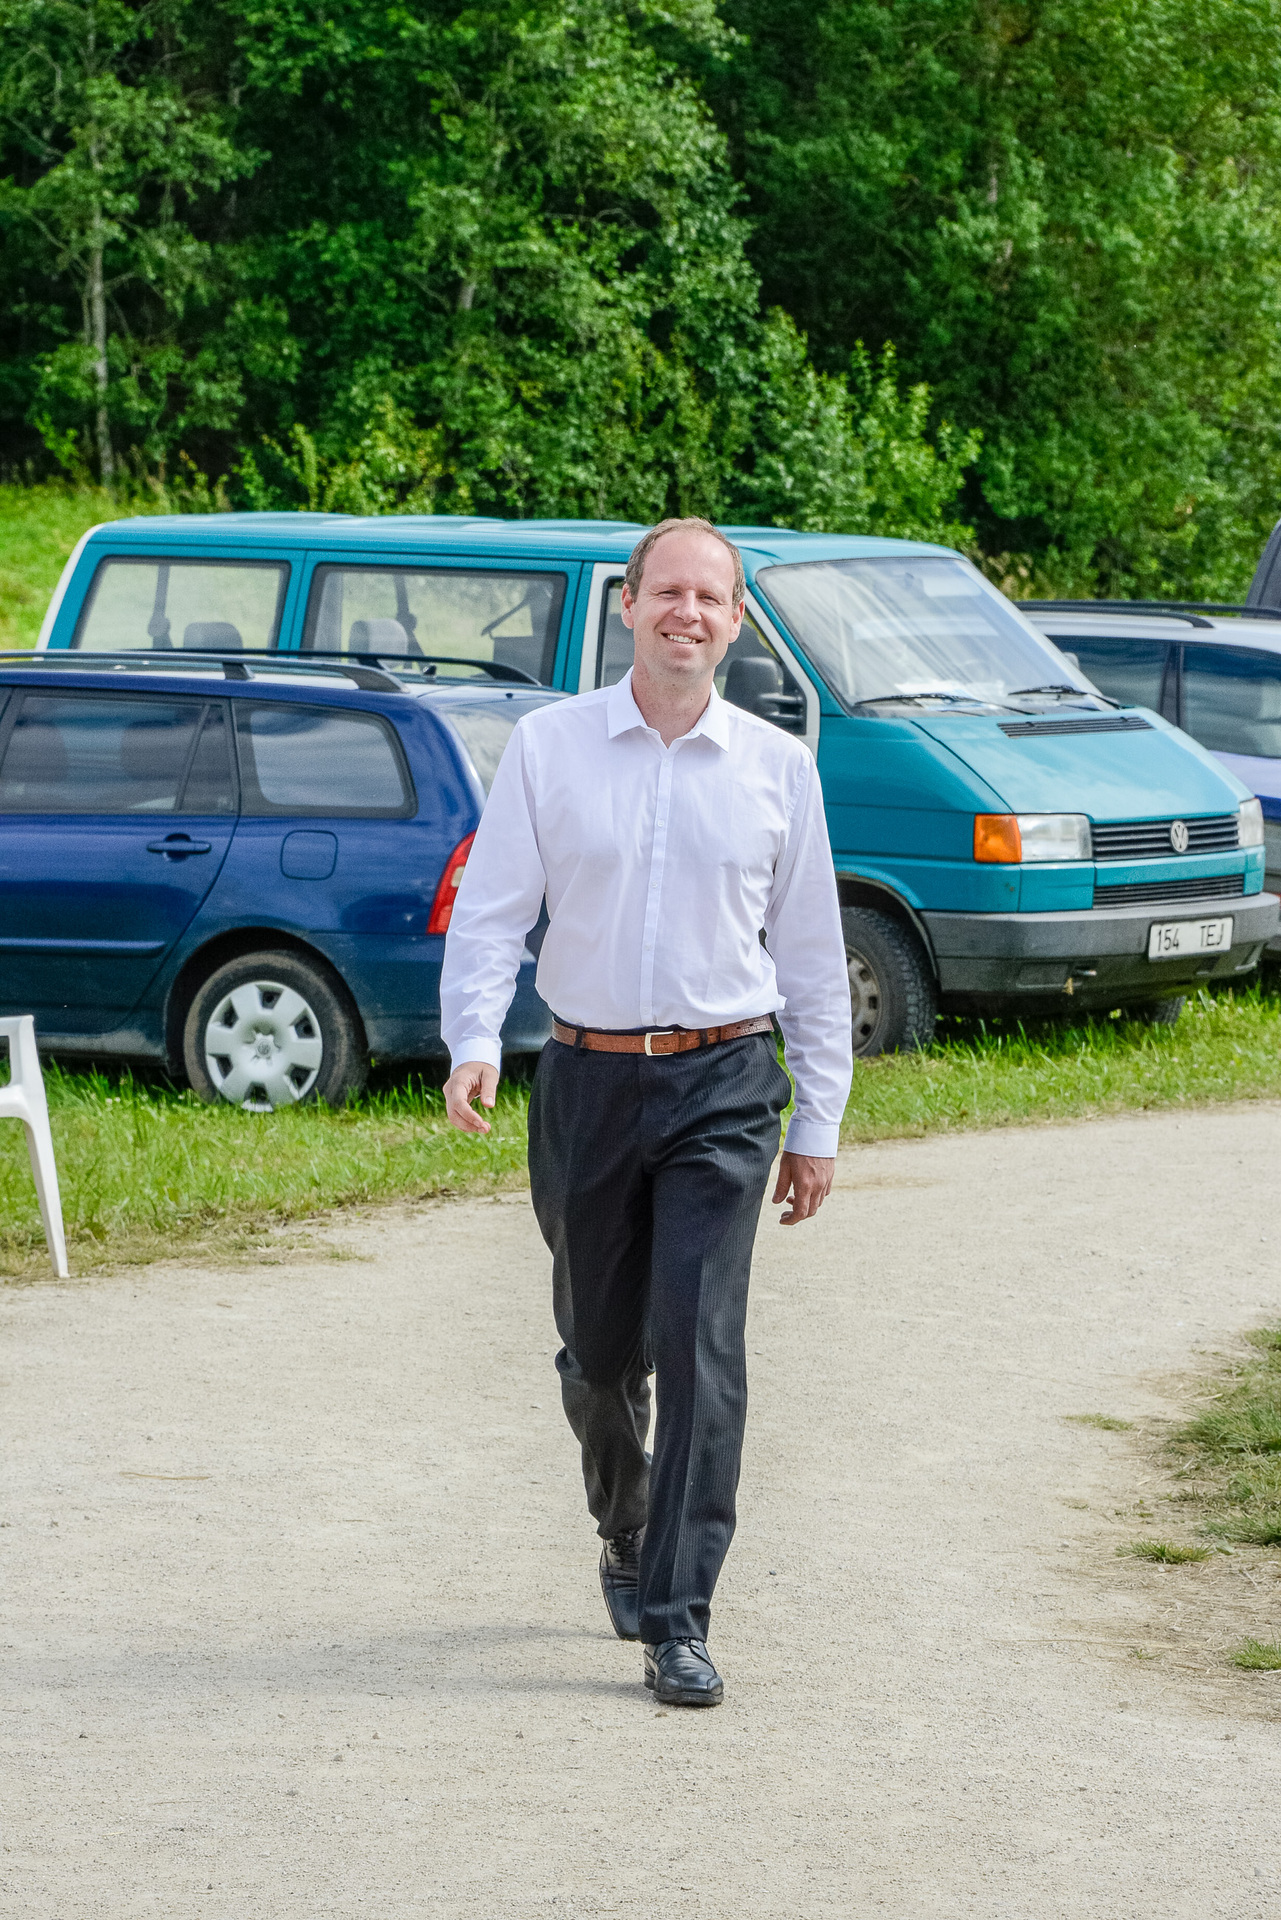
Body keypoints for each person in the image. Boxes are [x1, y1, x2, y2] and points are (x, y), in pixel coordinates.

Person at [439, 517, 853, 1707]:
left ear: (736, 621)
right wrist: (475, 1041)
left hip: (726, 1083)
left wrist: (817, 1122)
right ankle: (624, 1524)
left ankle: (680, 1614)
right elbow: (493, 910)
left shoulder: (778, 768)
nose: (688, 613)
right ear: (627, 605)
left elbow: (812, 958)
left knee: (699, 1346)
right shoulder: (550, 746)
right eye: (667, 592)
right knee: (598, 1355)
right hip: (588, 1081)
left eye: (710, 598)